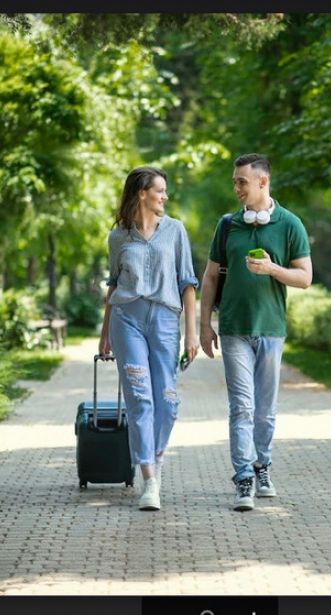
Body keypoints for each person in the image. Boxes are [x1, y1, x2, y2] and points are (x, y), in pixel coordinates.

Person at [200, 153, 312, 512]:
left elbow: (305, 278)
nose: (236, 188)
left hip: (271, 329)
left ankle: (263, 466)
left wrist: (272, 269)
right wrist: (204, 326)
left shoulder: (290, 224)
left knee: (265, 411)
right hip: (233, 328)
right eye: (234, 181)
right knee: (243, 408)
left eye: (242, 182)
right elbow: (211, 276)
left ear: (263, 182)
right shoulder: (228, 225)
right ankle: (244, 477)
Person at [99, 166, 199, 512]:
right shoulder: (118, 237)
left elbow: (188, 283)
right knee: (141, 399)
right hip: (127, 319)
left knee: (168, 402)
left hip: (166, 323)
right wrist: (104, 333)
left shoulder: (175, 231)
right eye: (159, 190)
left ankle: (153, 456)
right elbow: (113, 285)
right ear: (142, 193)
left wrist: (191, 333)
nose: (165, 196)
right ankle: (149, 480)